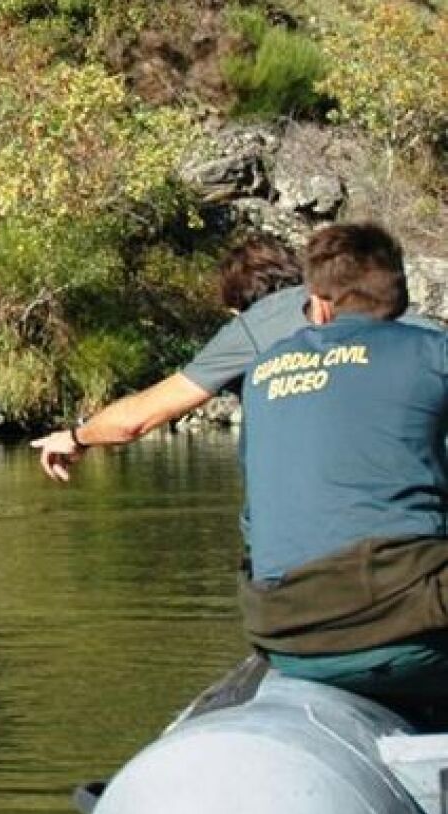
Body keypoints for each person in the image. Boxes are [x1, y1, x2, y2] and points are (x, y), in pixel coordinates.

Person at [236, 222, 448, 712]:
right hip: (411, 628)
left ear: (320, 302)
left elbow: (252, 522)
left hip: (285, 634)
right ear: (400, 294)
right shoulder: (433, 354)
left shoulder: (262, 372)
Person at [33, 233, 306, 481]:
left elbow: (133, 421)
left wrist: (77, 438)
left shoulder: (249, 330)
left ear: (236, 305)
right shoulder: (339, 303)